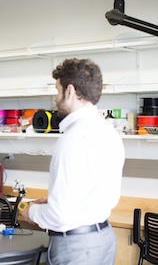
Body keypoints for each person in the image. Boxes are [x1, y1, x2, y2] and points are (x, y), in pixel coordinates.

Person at [21, 58, 125, 265]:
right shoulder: (108, 131)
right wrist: (55, 200)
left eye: (58, 91)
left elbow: (60, 216)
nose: (56, 98)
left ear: (69, 92)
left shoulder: (72, 140)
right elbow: (95, 191)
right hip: (103, 238)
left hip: (77, 247)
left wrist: (31, 211)